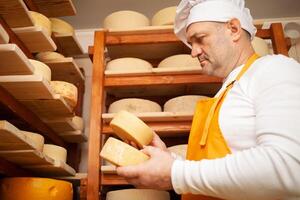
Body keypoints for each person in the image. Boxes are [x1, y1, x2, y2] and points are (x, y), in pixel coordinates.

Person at [116, 0, 300, 199]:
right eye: (191, 43)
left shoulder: (274, 69)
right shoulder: (226, 92)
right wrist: (170, 160)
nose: (193, 52)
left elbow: (290, 166)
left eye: (200, 38)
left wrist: (175, 173)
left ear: (234, 29)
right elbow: (223, 164)